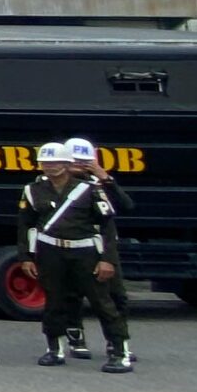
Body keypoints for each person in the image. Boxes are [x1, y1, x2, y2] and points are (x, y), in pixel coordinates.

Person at [23, 142, 130, 372]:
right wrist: (26, 257)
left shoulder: (89, 189)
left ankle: (120, 351)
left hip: (85, 251)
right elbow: (25, 225)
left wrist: (107, 259)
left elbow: (107, 227)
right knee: (54, 300)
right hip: (51, 251)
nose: (51, 167)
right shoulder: (33, 190)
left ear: (66, 164)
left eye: (56, 163)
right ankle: (55, 348)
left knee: (102, 301)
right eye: (46, 163)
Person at [61, 138, 132, 362]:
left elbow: (126, 206)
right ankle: (75, 337)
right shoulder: (56, 184)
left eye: (86, 162)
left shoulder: (100, 184)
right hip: (72, 246)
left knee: (116, 296)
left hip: (104, 246)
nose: (81, 166)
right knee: (71, 294)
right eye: (76, 162)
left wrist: (104, 176)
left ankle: (118, 341)